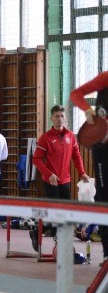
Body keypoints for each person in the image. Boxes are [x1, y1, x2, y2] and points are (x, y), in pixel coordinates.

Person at [30, 104, 90, 252]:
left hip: (66, 181)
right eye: (57, 116)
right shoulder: (46, 138)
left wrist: (82, 172)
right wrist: (49, 174)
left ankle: (38, 231)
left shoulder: (70, 136)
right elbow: (36, 159)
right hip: (51, 182)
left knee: (64, 212)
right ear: (51, 118)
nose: (60, 119)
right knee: (55, 213)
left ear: (66, 118)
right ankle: (56, 240)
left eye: (62, 116)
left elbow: (76, 155)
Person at [71, 73, 108, 263]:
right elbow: (76, 94)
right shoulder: (106, 78)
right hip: (102, 152)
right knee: (103, 200)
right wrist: (88, 111)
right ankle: (107, 254)